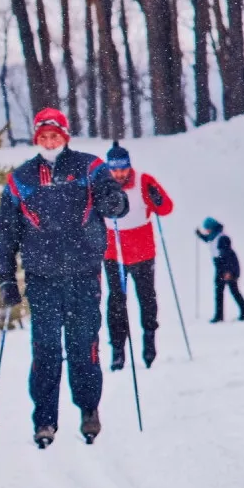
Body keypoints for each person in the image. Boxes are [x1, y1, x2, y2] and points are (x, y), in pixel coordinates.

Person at [0, 108, 129, 448]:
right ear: (36, 139)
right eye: (43, 137)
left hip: (84, 273)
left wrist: (113, 200)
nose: (49, 142)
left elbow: (117, 204)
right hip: (42, 277)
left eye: (55, 136)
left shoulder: (90, 167)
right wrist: (7, 279)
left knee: (84, 345)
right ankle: (45, 421)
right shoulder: (20, 179)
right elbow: (6, 234)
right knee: (46, 349)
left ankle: (89, 411)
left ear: (65, 137)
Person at [99, 142, 174, 369]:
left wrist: (157, 198)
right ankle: (118, 350)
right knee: (117, 302)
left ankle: (149, 340)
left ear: (129, 166)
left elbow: (166, 208)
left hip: (142, 252)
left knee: (147, 298)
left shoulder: (143, 180)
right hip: (114, 253)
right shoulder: (102, 184)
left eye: (123, 169)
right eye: (115, 169)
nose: (119, 174)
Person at [196, 218, 244, 322]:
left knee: (234, 291)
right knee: (219, 291)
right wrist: (200, 235)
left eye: (207, 229)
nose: (206, 231)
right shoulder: (214, 236)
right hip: (220, 267)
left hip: (228, 267)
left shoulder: (222, 238)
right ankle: (219, 316)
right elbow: (207, 239)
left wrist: (228, 272)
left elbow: (227, 256)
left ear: (212, 227)